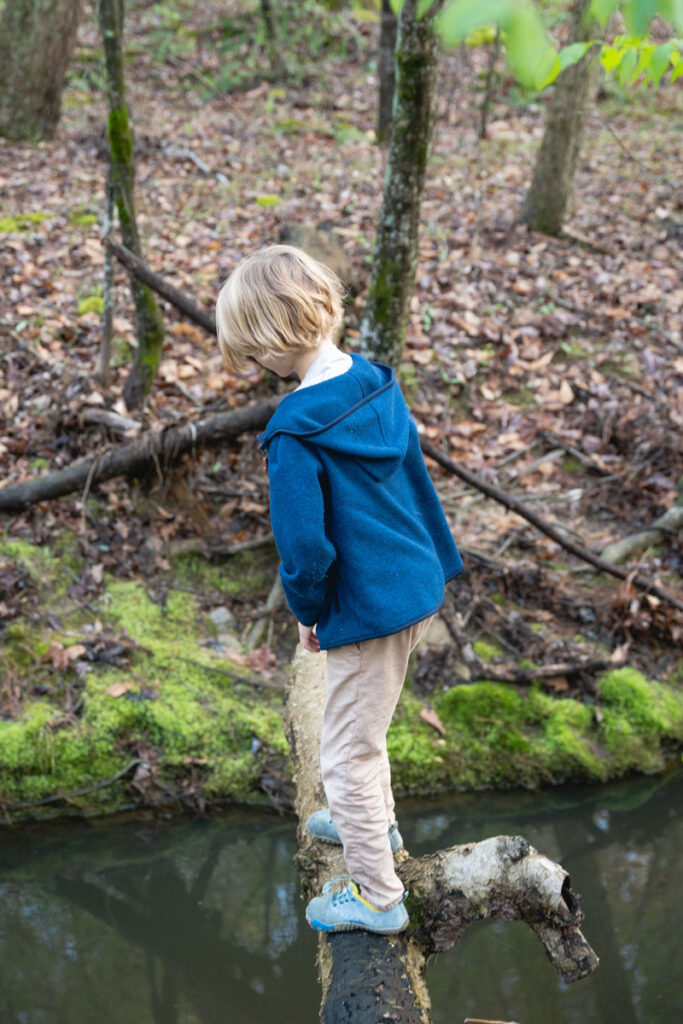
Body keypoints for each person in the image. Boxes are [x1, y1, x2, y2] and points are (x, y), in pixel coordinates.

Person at [216, 244, 463, 934]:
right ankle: (372, 827)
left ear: (267, 341)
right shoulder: (376, 382)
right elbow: (412, 478)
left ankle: (378, 898)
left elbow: (303, 547)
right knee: (367, 726)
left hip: (366, 604)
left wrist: (309, 610)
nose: (253, 365)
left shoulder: (294, 432)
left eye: (250, 350)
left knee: (347, 752)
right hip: (411, 584)